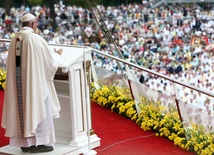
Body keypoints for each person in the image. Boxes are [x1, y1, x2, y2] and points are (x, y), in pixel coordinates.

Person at [1, 13, 63, 153]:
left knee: (20, 110)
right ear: (33, 24)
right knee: (37, 107)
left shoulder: (14, 40)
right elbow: (49, 62)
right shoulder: (35, 39)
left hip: (18, 85)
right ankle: (38, 143)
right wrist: (57, 55)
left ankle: (24, 143)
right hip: (33, 84)